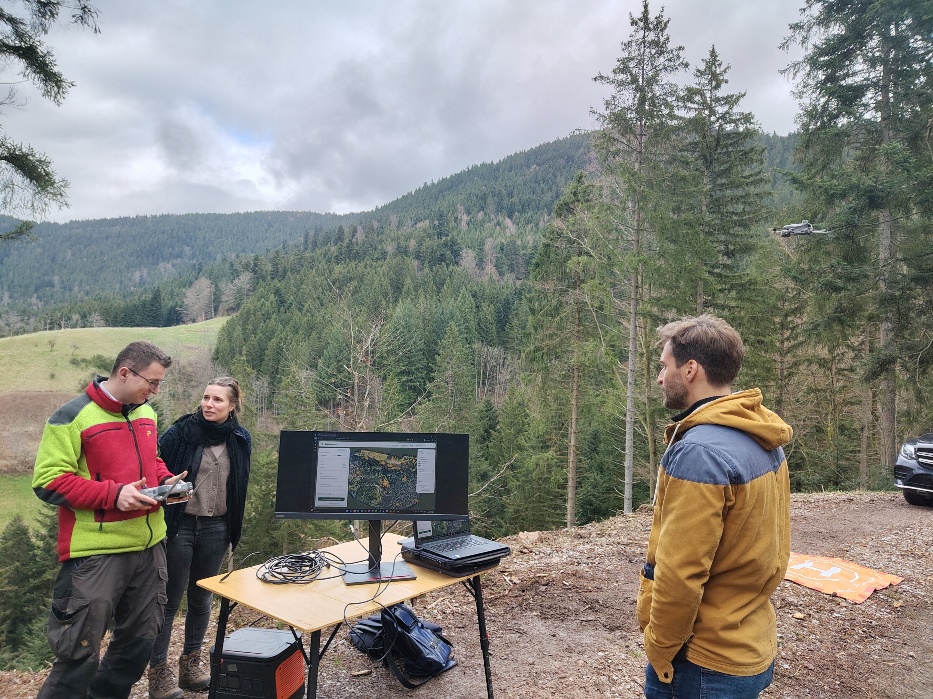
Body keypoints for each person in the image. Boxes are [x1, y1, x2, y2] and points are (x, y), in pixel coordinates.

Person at [639, 315, 792, 699]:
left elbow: (680, 573)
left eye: (665, 365)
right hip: (750, 643)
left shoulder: (699, 453)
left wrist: (659, 647)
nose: (660, 377)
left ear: (690, 369)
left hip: (701, 664)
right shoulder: (761, 436)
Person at [33, 340, 186, 699]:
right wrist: (114, 495)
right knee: (79, 653)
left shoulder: (146, 413)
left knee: (138, 646)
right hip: (96, 554)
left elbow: (151, 463)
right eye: (151, 382)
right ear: (124, 372)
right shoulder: (71, 416)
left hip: (150, 547)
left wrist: (165, 482)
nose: (155, 390)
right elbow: (48, 481)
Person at [147, 377, 251, 699]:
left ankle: (192, 664)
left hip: (217, 528)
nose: (209, 404)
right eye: (206, 397)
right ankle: (158, 673)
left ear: (232, 406)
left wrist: (234, 527)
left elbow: (240, 486)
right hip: (181, 526)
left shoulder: (239, 438)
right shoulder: (180, 433)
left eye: (217, 400)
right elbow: (154, 463)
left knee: (202, 598)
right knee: (169, 599)